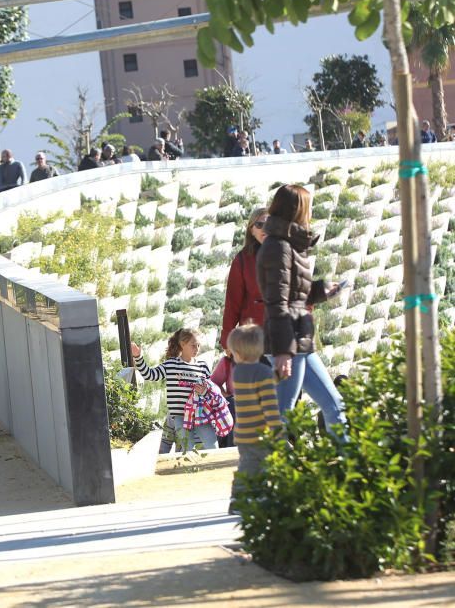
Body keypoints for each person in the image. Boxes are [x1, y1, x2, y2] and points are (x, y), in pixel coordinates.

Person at [257, 184, 347, 440]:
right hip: (290, 344)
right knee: (283, 416)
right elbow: (277, 303)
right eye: (307, 207)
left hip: (300, 343)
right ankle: (269, 475)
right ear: (297, 210)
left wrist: (320, 291)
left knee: (334, 406)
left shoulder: (288, 246)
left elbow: (294, 296)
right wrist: (283, 352)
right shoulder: (278, 248)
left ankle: (350, 469)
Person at [131, 328, 217, 454]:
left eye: (198, 345)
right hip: (180, 417)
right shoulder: (171, 364)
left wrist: (205, 391)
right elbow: (150, 375)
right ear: (182, 344)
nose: (197, 348)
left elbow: (211, 391)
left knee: (212, 448)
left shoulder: (202, 366)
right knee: (188, 450)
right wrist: (138, 356)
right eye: (193, 345)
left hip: (200, 416)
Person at [226, 324, 281, 514]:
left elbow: (254, 384)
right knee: (265, 467)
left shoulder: (238, 372)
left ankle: (238, 499)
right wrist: (278, 430)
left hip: (243, 433)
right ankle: (259, 498)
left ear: (239, 353)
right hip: (260, 433)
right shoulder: (263, 373)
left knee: (247, 466)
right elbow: (269, 405)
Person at [221, 208, 268, 352]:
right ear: (251, 230)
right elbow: (232, 302)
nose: (265, 229)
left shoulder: (288, 255)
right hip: (252, 339)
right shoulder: (242, 260)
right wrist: (227, 339)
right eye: (259, 225)